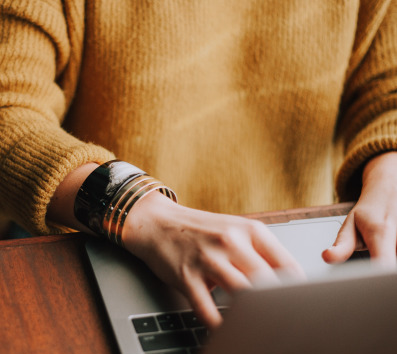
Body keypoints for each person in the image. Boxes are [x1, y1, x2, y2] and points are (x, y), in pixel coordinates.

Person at [1, 1, 397, 329]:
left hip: (310, 259)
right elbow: (9, 108)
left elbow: (389, 86)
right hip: (110, 256)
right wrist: (142, 212)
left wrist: (389, 169)